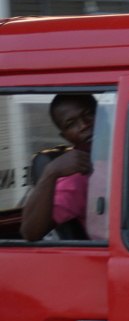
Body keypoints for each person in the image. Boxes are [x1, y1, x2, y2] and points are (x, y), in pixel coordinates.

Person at [20, 94, 97, 242]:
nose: (83, 125)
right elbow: (30, 232)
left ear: (103, 113)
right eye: (71, 124)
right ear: (65, 136)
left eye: (88, 115)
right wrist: (50, 173)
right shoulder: (79, 177)